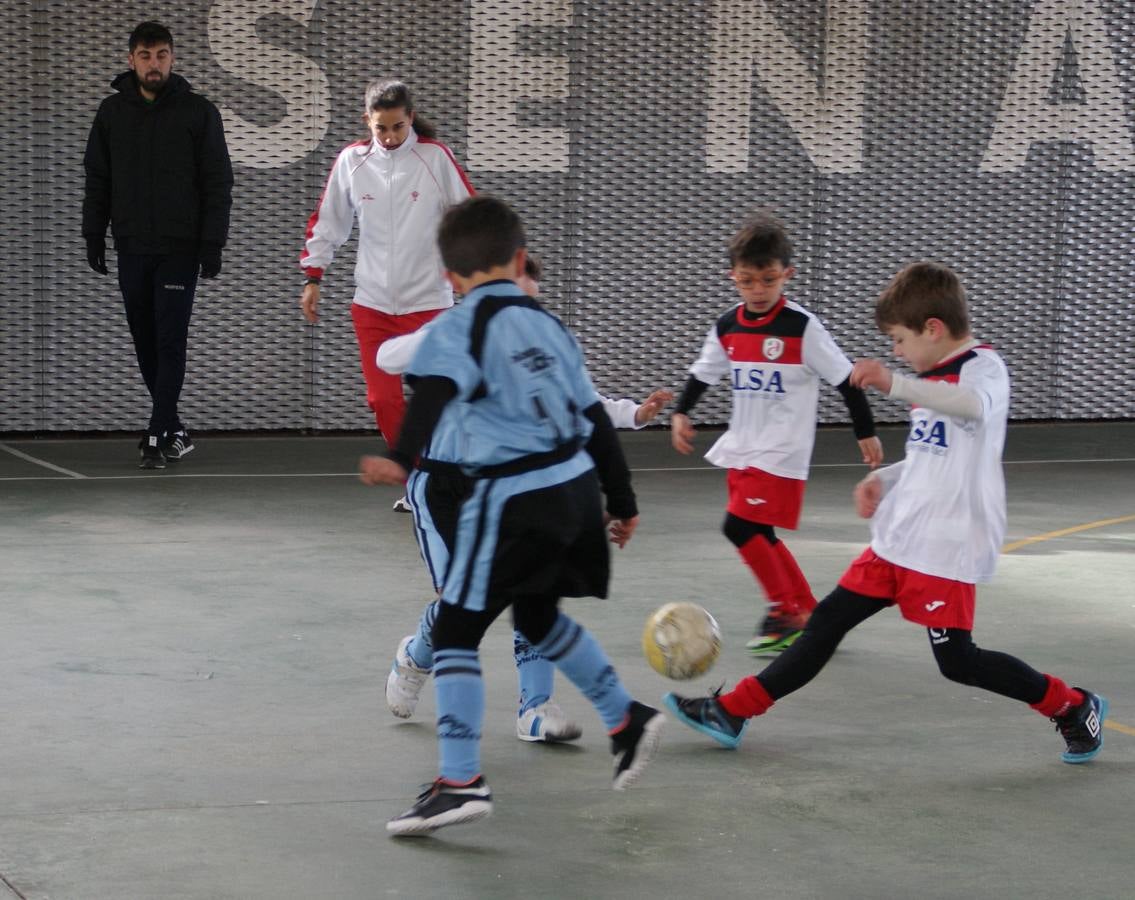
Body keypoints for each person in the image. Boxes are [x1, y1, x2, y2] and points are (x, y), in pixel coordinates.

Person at [664, 261, 1108, 766]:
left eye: (899, 339)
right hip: (898, 540)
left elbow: (973, 407)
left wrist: (892, 382)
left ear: (933, 329)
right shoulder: (931, 380)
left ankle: (1072, 706)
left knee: (958, 662)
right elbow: (929, 455)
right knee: (825, 622)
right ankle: (732, 711)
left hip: (945, 548)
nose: (896, 351)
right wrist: (885, 478)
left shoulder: (983, 370)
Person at [359, 196, 664, 835]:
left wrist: (398, 454)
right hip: (576, 495)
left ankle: (460, 780)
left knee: (460, 631)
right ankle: (625, 718)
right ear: (520, 259)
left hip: (510, 501)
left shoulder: (457, 325)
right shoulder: (550, 328)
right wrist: (625, 502)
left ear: (448, 276)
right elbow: (592, 422)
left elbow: (433, 391)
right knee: (539, 616)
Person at [671, 212, 883, 653]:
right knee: (760, 535)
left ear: (787, 274)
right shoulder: (728, 326)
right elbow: (702, 373)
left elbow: (846, 379)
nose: (758, 290)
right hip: (743, 449)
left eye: (768, 280)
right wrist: (681, 413)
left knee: (738, 528)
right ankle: (809, 615)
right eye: (747, 281)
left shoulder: (802, 328)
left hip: (781, 451)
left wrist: (865, 431)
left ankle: (783, 612)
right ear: (733, 277)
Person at [300, 78, 473, 510]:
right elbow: (329, 222)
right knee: (382, 399)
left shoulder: (434, 157)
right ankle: (417, 482)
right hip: (373, 305)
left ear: (410, 118)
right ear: (368, 122)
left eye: (398, 126)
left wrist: (471, 275)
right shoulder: (351, 162)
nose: (391, 137)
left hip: (430, 305)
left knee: (439, 398)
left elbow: (468, 215)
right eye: (382, 128)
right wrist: (313, 276)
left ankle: (443, 478)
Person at [83, 21, 233, 469]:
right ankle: (174, 428)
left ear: (172, 58)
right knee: (144, 340)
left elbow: (217, 182)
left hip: (179, 249)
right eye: (146, 56)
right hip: (131, 245)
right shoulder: (111, 113)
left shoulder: (199, 112)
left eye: (162, 55)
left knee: (170, 339)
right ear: (131, 60)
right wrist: (93, 233)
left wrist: (212, 244)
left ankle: (157, 431)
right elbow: (98, 179)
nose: (154, 64)